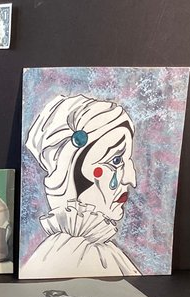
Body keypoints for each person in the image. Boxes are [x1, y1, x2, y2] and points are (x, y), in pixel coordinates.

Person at [21, 94, 142, 277]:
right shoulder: (74, 255)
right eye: (116, 161)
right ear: (70, 169)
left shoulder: (101, 250)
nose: (130, 179)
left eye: (127, 160)